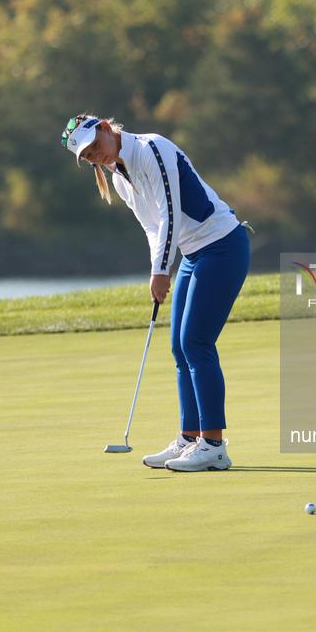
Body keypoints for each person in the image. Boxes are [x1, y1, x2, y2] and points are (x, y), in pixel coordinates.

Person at [61, 114, 250, 472]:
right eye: (87, 157)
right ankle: (189, 439)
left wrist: (161, 270)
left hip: (222, 246)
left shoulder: (152, 149)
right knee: (180, 347)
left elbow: (170, 214)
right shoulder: (120, 179)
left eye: (94, 146)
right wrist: (158, 269)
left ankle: (213, 446)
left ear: (105, 127)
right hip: (194, 255)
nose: (94, 156)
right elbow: (151, 227)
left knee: (196, 342)